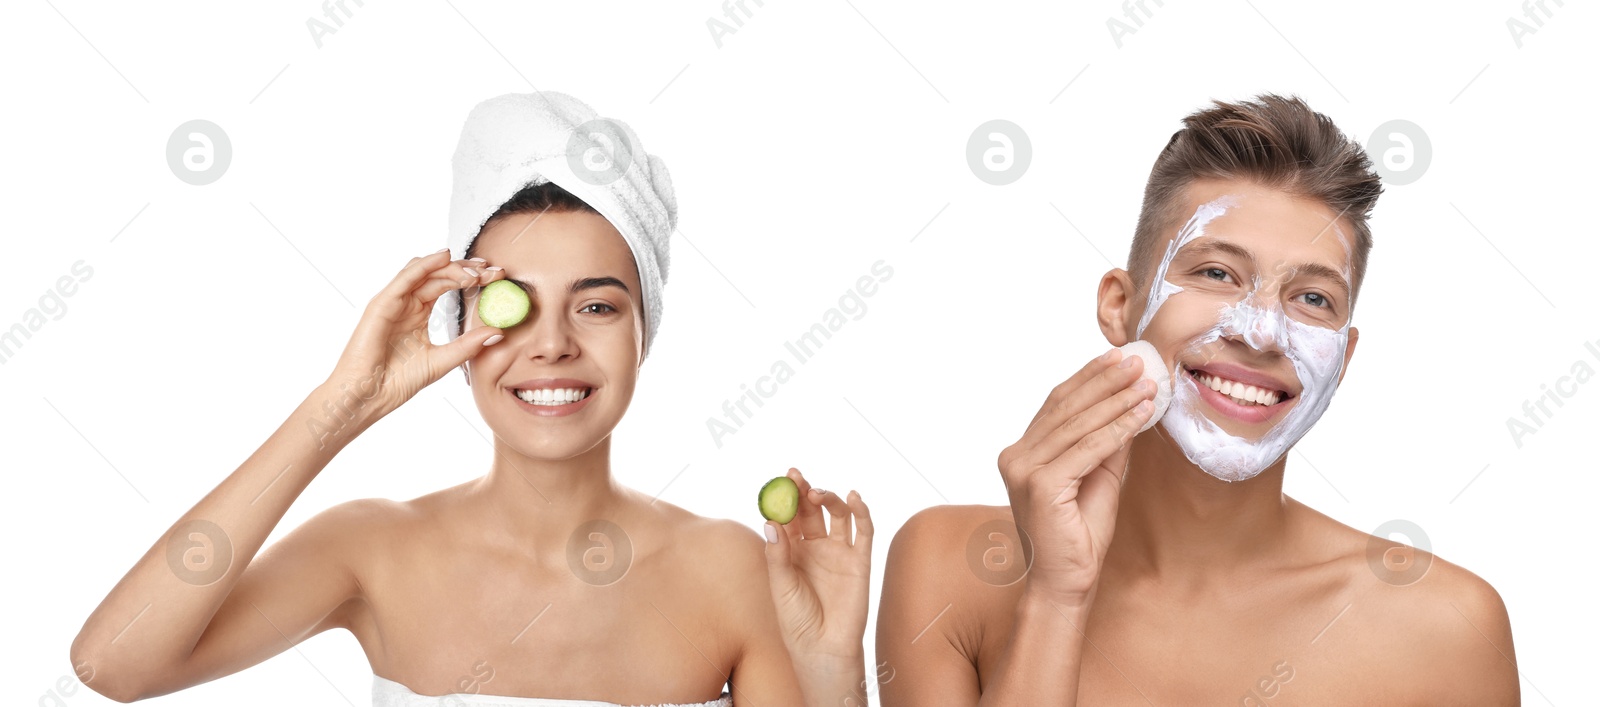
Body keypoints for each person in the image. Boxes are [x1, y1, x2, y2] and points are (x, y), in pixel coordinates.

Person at [69, 91, 873, 707]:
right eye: (512, 304)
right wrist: (336, 410)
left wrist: (832, 668)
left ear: (643, 332)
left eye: (596, 305)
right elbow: (113, 662)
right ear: (459, 323)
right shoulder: (372, 547)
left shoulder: (733, 566)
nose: (552, 343)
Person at [875, 93, 1518, 705]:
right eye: (1216, 273)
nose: (1261, 331)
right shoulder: (948, 571)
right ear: (1119, 308)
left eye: (1313, 298)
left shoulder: (1444, 629)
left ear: (1344, 361)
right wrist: (1055, 597)